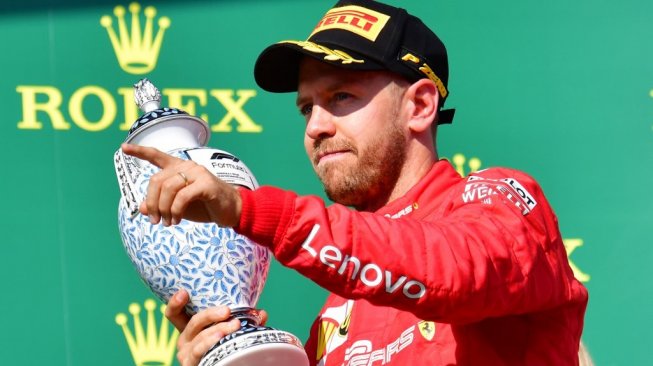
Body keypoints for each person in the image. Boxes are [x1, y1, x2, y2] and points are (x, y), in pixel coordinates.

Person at [122, 0, 589, 365]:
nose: (315, 127)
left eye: (341, 96)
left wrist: (249, 211)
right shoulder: (335, 316)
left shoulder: (499, 204)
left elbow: (450, 270)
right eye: (307, 107)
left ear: (421, 106)